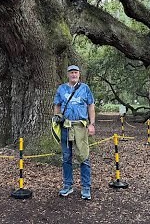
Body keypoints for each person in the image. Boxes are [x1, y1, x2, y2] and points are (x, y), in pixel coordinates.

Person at [53, 64, 95, 200]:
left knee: (84, 157)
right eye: (71, 72)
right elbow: (57, 105)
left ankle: (86, 187)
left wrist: (92, 124)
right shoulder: (61, 89)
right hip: (65, 127)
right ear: (68, 74)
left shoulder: (85, 89)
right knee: (66, 157)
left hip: (80, 127)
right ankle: (67, 185)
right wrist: (56, 120)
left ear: (79, 74)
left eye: (76, 72)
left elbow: (91, 105)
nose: (73, 75)